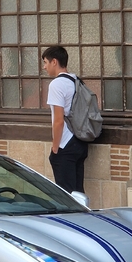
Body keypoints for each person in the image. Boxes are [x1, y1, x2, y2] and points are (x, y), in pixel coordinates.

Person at [42, 46, 88, 194]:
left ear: (54, 62)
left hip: (65, 143)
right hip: (80, 140)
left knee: (66, 195)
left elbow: (58, 120)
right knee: (78, 193)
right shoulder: (76, 80)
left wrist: (55, 147)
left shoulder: (57, 84)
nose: (44, 67)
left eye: (45, 62)